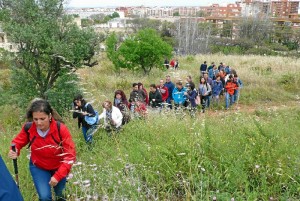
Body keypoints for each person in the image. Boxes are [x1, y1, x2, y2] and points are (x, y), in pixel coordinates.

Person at [8, 99, 76, 201]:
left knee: (60, 196)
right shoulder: (29, 128)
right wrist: (14, 150)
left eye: (42, 118)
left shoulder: (60, 129)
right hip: (39, 167)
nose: (38, 123)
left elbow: (70, 155)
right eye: (35, 119)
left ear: (49, 116)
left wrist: (58, 176)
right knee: (44, 197)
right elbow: (17, 142)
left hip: (59, 167)